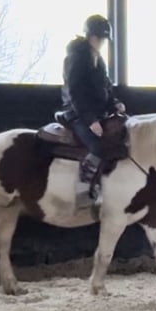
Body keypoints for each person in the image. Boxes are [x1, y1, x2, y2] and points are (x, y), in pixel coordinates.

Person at [59, 14, 126, 201]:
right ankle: (83, 187)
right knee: (97, 146)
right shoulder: (77, 58)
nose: (102, 43)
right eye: (100, 39)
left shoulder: (98, 59)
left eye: (103, 39)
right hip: (77, 113)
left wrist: (115, 103)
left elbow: (106, 87)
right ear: (92, 37)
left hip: (96, 112)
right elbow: (75, 92)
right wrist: (90, 120)